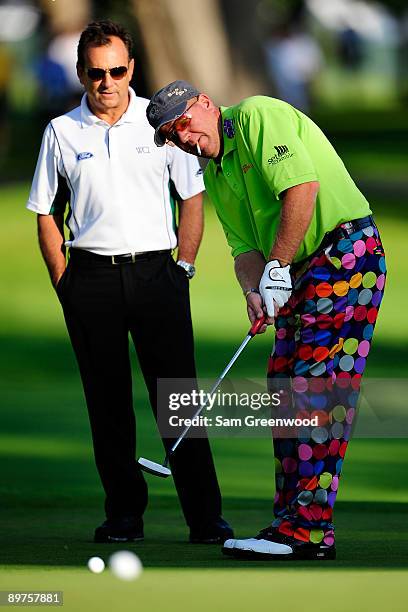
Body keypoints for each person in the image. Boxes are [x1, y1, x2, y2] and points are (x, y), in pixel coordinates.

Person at [146, 80, 387, 560]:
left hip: (344, 254)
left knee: (317, 391)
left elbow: (302, 190)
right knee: (284, 386)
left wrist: (276, 268)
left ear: (206, 105)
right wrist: (256, 292)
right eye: (173, 135)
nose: (185, 138)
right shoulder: (214, 171)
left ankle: (310, 531)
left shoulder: (256, 116)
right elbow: (244, 249)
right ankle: (289, 522)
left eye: (185, 123)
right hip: (299, 270)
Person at [26, 23, 233, 545]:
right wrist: (64, 282)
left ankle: (205, 518)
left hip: (158, 273)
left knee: (178, 398)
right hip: (91, 277)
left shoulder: (159, 122)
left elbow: (191, 198)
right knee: (107, 403)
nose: (107, 83)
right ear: (81, 74)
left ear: (131, 70)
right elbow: (46, 211)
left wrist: (183, 266)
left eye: (117, 71)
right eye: (96, 73)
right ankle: (123, 515)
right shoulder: (61, 131)